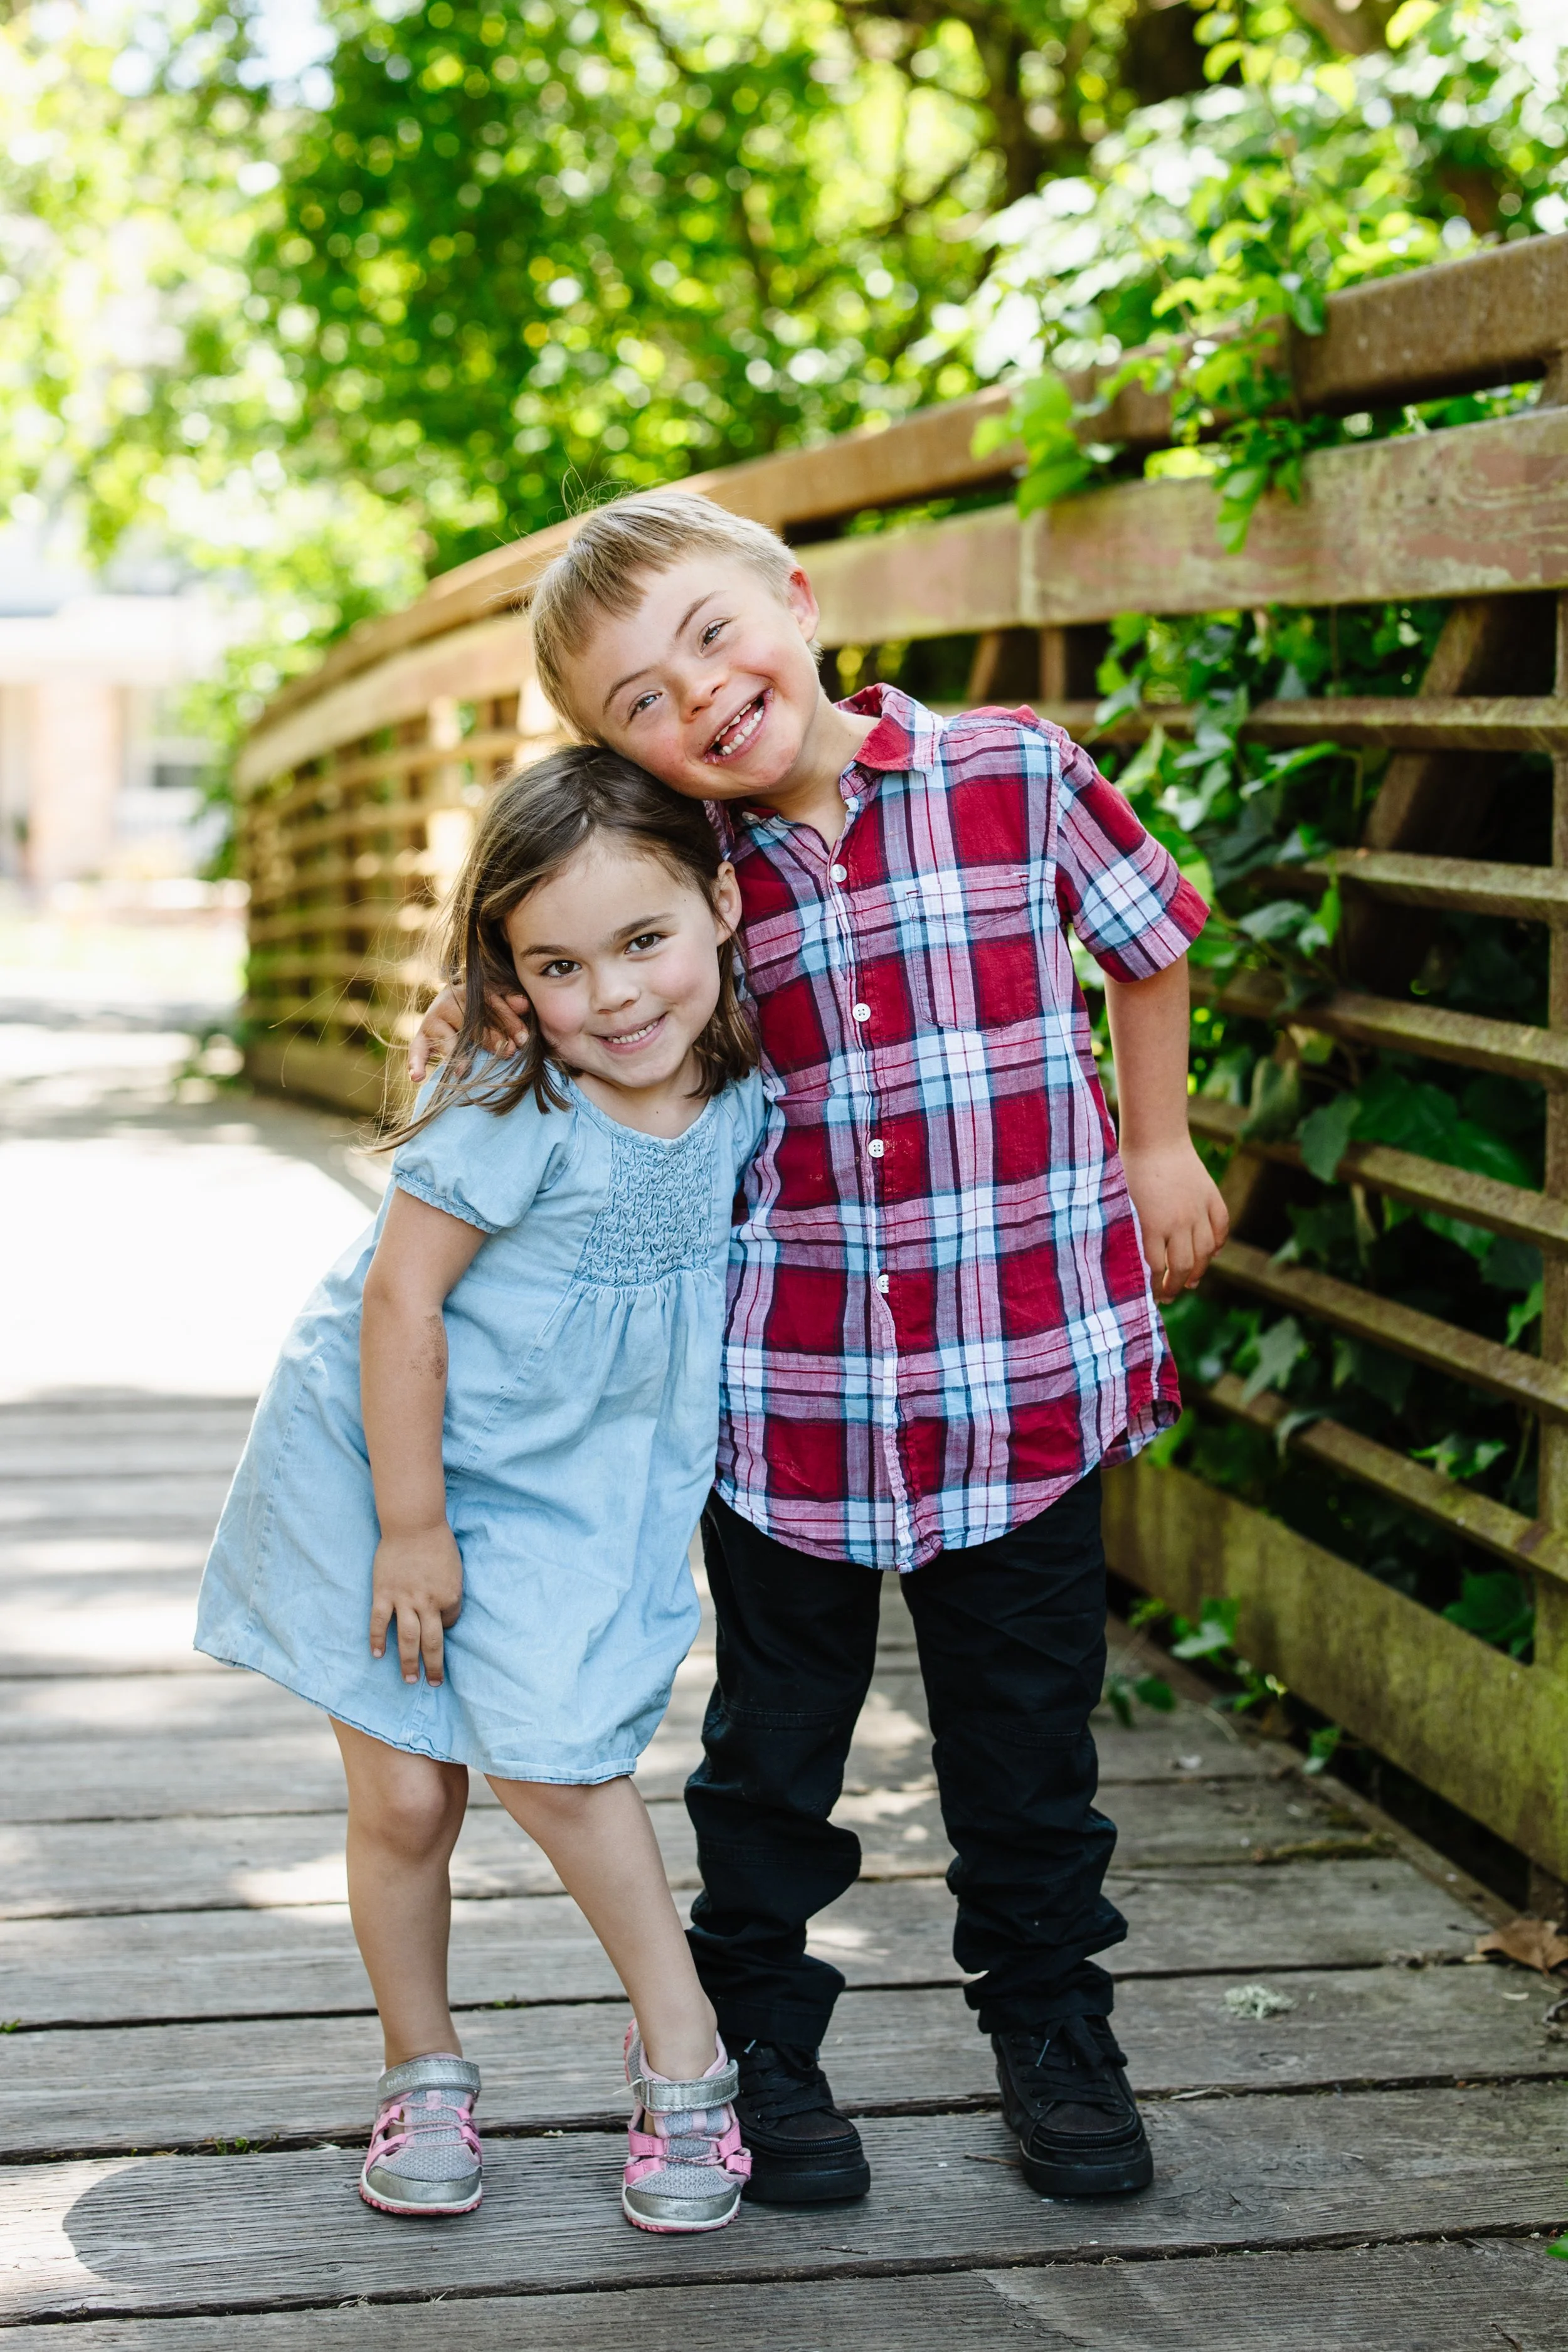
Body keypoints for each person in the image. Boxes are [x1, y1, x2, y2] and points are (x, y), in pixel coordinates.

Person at [411, 489, 1229, 2207]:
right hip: (794, 1403)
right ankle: (757, 2040)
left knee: (1028, 1748)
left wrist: (1155, 1143)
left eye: (712, 633)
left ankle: (1052, 2026)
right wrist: (500, 1006)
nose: (694, 693)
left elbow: (1151, 938)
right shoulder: (686, 877)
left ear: (793, 596)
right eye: (637, 697)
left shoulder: (1012, 769)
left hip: (1022, 1376)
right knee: (772, 1753)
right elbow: (598, 1018)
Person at [196, 745, 766, 2233]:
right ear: (509, 977)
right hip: (386, 1456)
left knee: (562, 1764)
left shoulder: (750, 1074)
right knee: (402, 1794)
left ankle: (685, 2055)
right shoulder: (513, 1100)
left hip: (574, 1476)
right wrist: (409, 1526)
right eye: (562, 966)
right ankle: (422, 2066)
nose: (620, 997)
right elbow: (401, 1308)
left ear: (720, 904)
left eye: (645, 942)